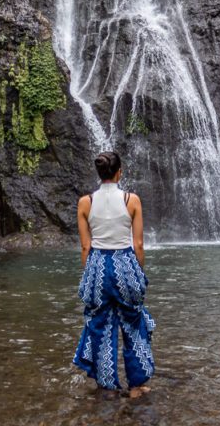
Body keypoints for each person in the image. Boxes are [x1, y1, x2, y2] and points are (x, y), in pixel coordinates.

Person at [73, 150, 155, 397]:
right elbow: (138, 244)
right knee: (133, 324)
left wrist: (91, 275)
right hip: (125, 264)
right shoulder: (132, 200)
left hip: (97, 264)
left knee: (100, 326)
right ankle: (136, 386)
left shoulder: (85, 202)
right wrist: (138, 273)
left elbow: (85, 246)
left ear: (99, 174)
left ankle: (108, 388)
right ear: (119, 172)